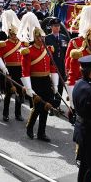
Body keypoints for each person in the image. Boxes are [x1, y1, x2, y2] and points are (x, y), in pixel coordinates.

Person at [19, 13, 57, 142]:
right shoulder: (28, 51)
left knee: (46, 106)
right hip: (35, 81)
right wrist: (28, 87)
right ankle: (30, 127)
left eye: (42, 37)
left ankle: (42, 133)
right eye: (38, 37)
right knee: (38, 107)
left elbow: (52, 67)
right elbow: (25, 71)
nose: (41, 39)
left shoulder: (48, 49)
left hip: (46, 81)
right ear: (34, 38)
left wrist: (55, 84)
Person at [0, 10, 25, 121]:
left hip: (20, 69)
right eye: (13, 34)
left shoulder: (21, 43)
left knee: (20, 92)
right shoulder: (4, 44)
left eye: (16, 34)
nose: (15, 36)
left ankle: (18, 113)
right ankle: (5, 114)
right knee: (9, 93)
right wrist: (3, 68)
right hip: (9, 69)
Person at [44, 18, 68, 108]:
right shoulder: (47, 38)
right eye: (55, 26)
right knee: (52, 85)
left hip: (61, 65)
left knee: (61, 85)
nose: (57, 28)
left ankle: (57, 105)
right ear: (51, 27)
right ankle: (51, 104)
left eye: (58, 26)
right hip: (51, 65)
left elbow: (66, 52)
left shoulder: (63, 37)